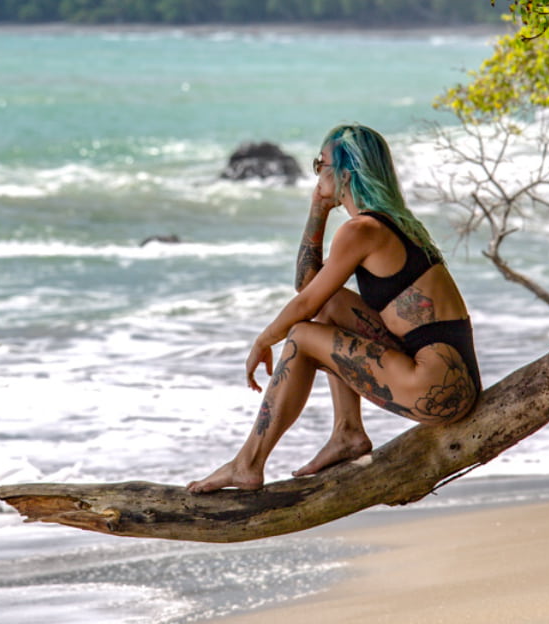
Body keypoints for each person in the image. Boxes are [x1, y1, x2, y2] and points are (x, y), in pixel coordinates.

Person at [188, 123, 481, 493]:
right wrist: (319, 208)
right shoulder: (391, 225)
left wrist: (263, 340)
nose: (316, 172)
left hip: (436, 389)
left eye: (320, 163)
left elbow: (304, 301)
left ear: (344, 172)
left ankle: (247, 464)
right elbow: (312, 290)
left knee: (302, 334)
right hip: (451, 383)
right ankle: (348, 432)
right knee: (331, 308)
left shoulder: (362, 230)